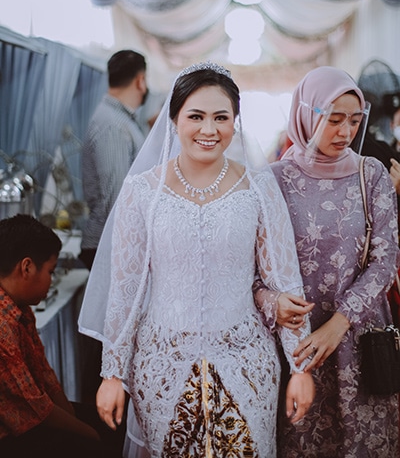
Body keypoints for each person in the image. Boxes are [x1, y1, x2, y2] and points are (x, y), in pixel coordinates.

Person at [78, 62, 315, 458]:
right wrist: (112, 373)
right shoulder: (141, 192)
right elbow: (126, 289)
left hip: (246, 360)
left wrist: (300, 368)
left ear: (235, 122)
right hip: (160, 364)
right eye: (196, 116)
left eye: (221, 117)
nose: (209, 130)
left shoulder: (259, 187)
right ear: (174, 119)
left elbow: (285, 283)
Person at [255, 66, 400, 457]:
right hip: (298, 345)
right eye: (333, 120)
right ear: (306, 115)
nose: (345, 132)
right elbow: (254, 273)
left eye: (355, 121)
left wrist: (340, 324)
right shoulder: (272, 180)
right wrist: (273, 303)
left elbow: (386, 260)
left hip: (361, 339)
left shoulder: (370, 175)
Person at [0, 214, 105, 458]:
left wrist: (74, 418)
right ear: (26, 267)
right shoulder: (3, 326)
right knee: (99, 443)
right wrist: (89, 434)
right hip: (9, 437)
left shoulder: (20, 307)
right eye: (50, 271)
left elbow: (44, 374)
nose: (51, 281)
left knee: (107, 422)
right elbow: (36, 407)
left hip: (32, 418)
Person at [80, 49, 148, 271]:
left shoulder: (120, 120)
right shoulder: (113, 125)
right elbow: (117, 196)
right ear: (140, 80)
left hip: (116, 243)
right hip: (109, 246)